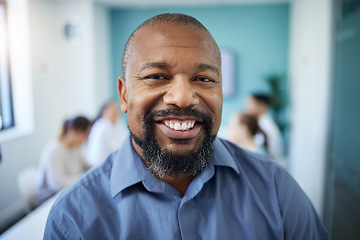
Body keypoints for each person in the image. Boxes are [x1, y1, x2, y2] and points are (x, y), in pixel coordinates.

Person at [44, 13, 329, 239]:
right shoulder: (73, 219)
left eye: (204, 79)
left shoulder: (276, 190)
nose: (182, 97)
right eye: (157, 76)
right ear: (124, 95)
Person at [35, 116, 91, 205]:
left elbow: (88, 166)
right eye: (85, 134)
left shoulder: (76, 147)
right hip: (50, 199)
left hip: (67, 192)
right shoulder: (54, 150)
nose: (87, 138)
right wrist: (83, 177)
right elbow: (57, 184)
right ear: (73, 131)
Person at [245, 93, 284, 161]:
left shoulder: (264, 126)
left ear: (263, 107)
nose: (247, 108)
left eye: (251, 104)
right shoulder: (262, 122)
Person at [86, 101, 127, 166]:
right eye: (112, 111)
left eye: (116, 110)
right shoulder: (101, 127)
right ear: (104, 113)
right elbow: (98, 152)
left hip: (118, 160)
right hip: (101, 163)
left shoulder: (119, 122)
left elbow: (125, 140)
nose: (115, 113)